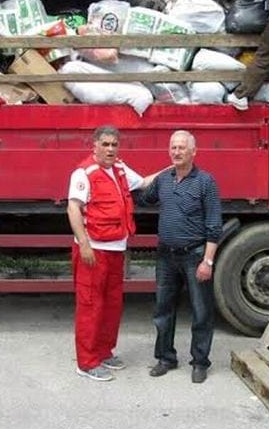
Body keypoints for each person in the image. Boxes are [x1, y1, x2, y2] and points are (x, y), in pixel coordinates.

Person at [67, 125, 158, 382]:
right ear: (94, 145)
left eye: (114, 145)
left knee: (111, 305)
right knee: (90, 306)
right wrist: (84, 244)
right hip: (93, 251)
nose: (110, 149)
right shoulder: (83, 173)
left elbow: (143, 182)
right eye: (105, 144)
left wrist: (173, 169)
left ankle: (104, 352)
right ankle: (86, 362)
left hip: (116, 248)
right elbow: (73, 208)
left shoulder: (119, 169)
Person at [138, 130, 222, 384]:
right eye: (173, 147)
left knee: (201, 311)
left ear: (194, 152)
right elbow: (142, 195)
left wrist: (207, 261)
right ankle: (165, 358)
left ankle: (199, 362)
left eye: (182, 148)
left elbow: (214, 225)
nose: (176, 152)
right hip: (165, 255)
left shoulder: (206, 182)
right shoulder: (164, 179)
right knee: (163, 309)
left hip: (194, 255)